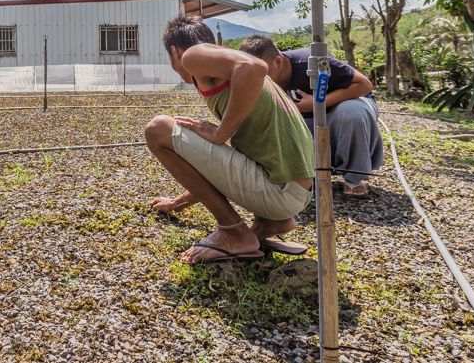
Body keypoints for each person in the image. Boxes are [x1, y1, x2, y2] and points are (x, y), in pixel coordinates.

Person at [145, 15, 314, 264]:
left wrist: (219, 133)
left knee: (158, 129)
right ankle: (270, 222)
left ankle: (233, 232)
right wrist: (178, 203)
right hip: (294, 193)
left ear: (175, 52)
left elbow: (255, 66)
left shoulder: (193, 56)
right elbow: (215, 162)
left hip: (279, 192)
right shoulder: (228, 71)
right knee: (199, 136)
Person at [239, 35, 383, 197]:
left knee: (352, 113)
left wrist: (317, 102)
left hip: (348, 104)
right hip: (307, 118)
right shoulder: (257, 80)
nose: (256, 76)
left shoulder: (311, 61)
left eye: (261, 70)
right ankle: (306, 172)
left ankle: (354, 178)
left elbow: (364, 84)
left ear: (278, 62)